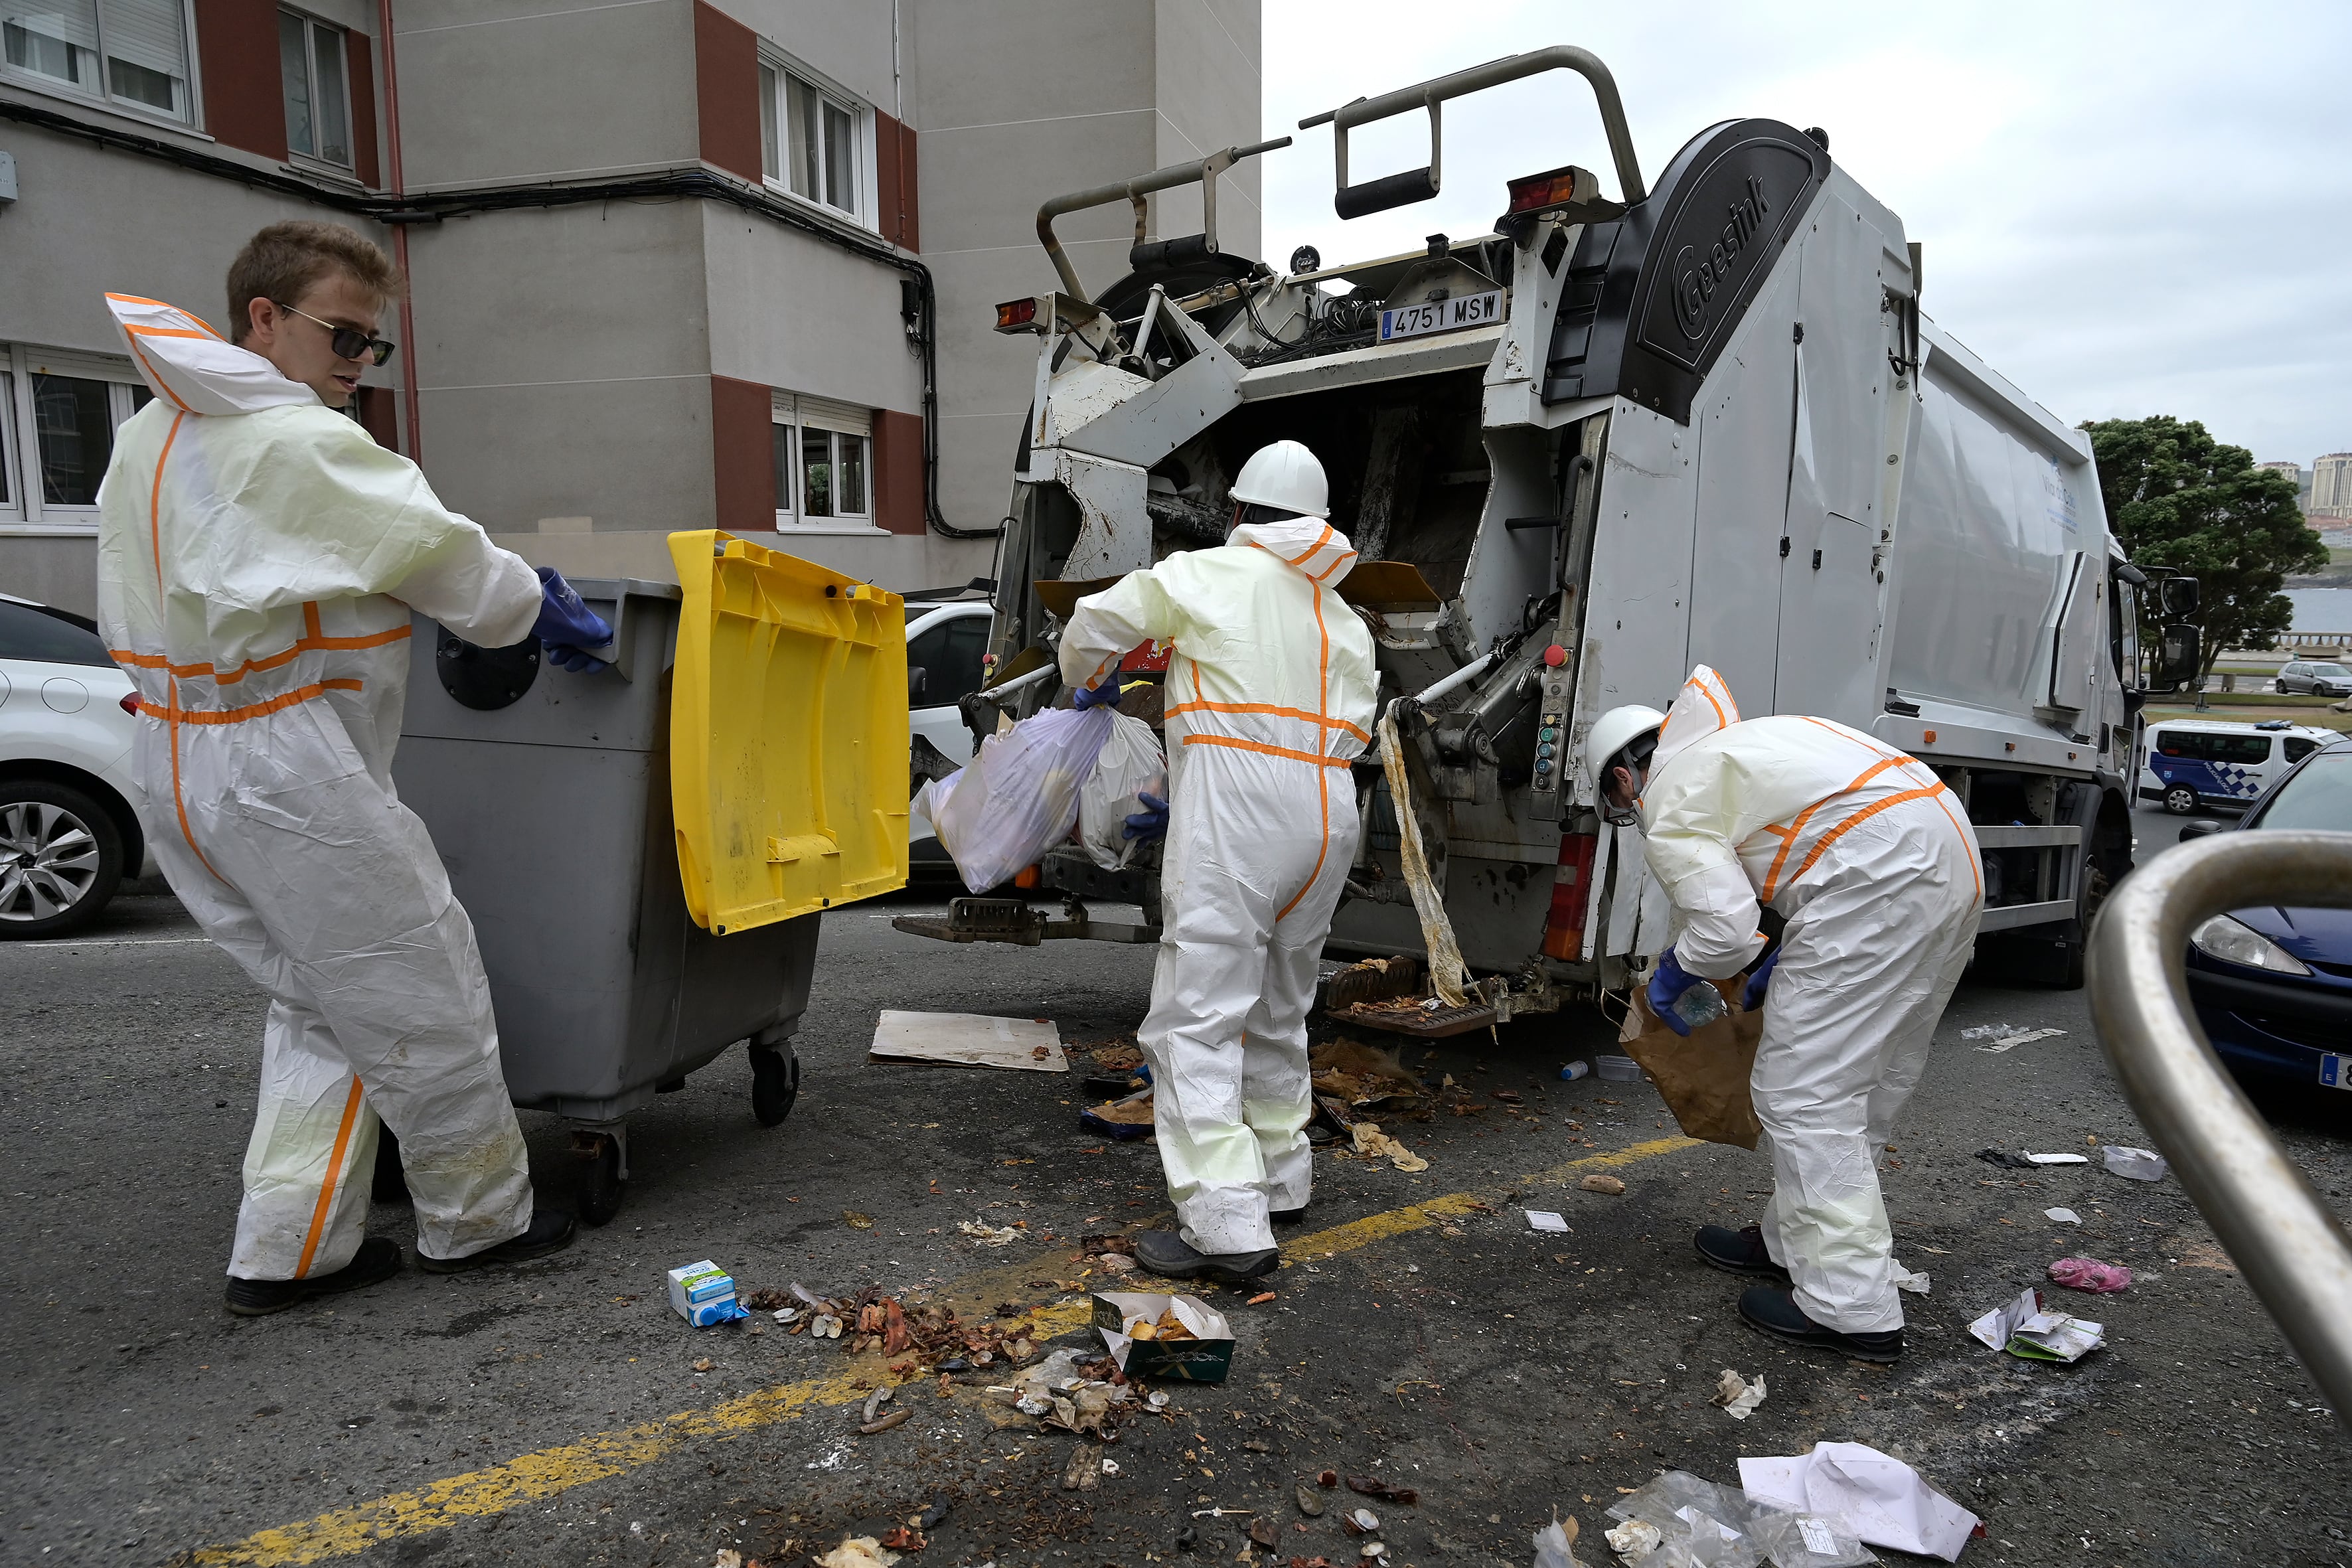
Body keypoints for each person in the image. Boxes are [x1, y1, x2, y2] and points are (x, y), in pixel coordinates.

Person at [95, 223, 615, 1316]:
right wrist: (537, 606)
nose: (356, 363)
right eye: (342, 334)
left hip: (170, 751)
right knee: (423, 982)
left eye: (372, 346)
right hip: (280, 759)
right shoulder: (289, 438)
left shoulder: (151, 435)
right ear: (263, 319)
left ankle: (286, 1250)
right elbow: (443, 558)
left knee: (321, 1001)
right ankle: (478, 1225)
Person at [1586, 665, 1982, 1361]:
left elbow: (1727, 930)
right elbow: (1818, 842)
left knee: (1807, 1094)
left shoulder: (1674, 793)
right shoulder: (1743, 746)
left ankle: (1849, 1307)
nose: (1632, 813)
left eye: (1620, 805)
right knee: (1864, 1081)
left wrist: (1675, 976)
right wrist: (1788, 952)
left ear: (1623, 779)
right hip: (1945, 858)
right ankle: (1792, 1243)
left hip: (1880, 882)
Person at [1057, 440, 1377, 1283]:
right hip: (1329, 813)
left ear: (1239, 513)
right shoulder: (1344, 619)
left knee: (1195, 1019)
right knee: (1278, 1007)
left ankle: (1226, 1226)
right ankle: (1281, 1178)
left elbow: (1094, 623)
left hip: (1240, 810)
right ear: (1316, 525)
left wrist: (1085, 675)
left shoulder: (1205, 574)